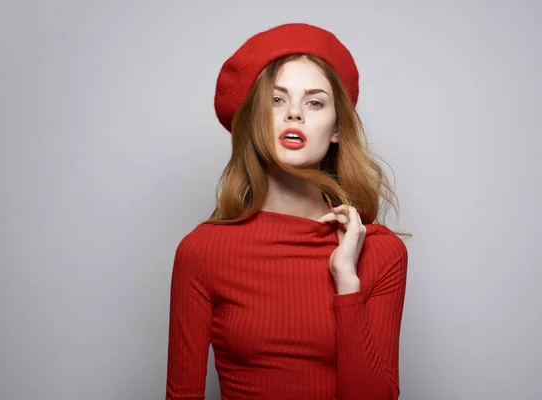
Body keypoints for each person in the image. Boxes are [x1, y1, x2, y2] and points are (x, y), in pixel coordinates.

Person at [165, 22, 409, 400]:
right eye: (276, 100)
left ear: (337, 129)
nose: (294, 114)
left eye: (314, 102)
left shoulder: (381, 252)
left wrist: (347, 279)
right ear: (254, 121)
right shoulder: (202, 251)